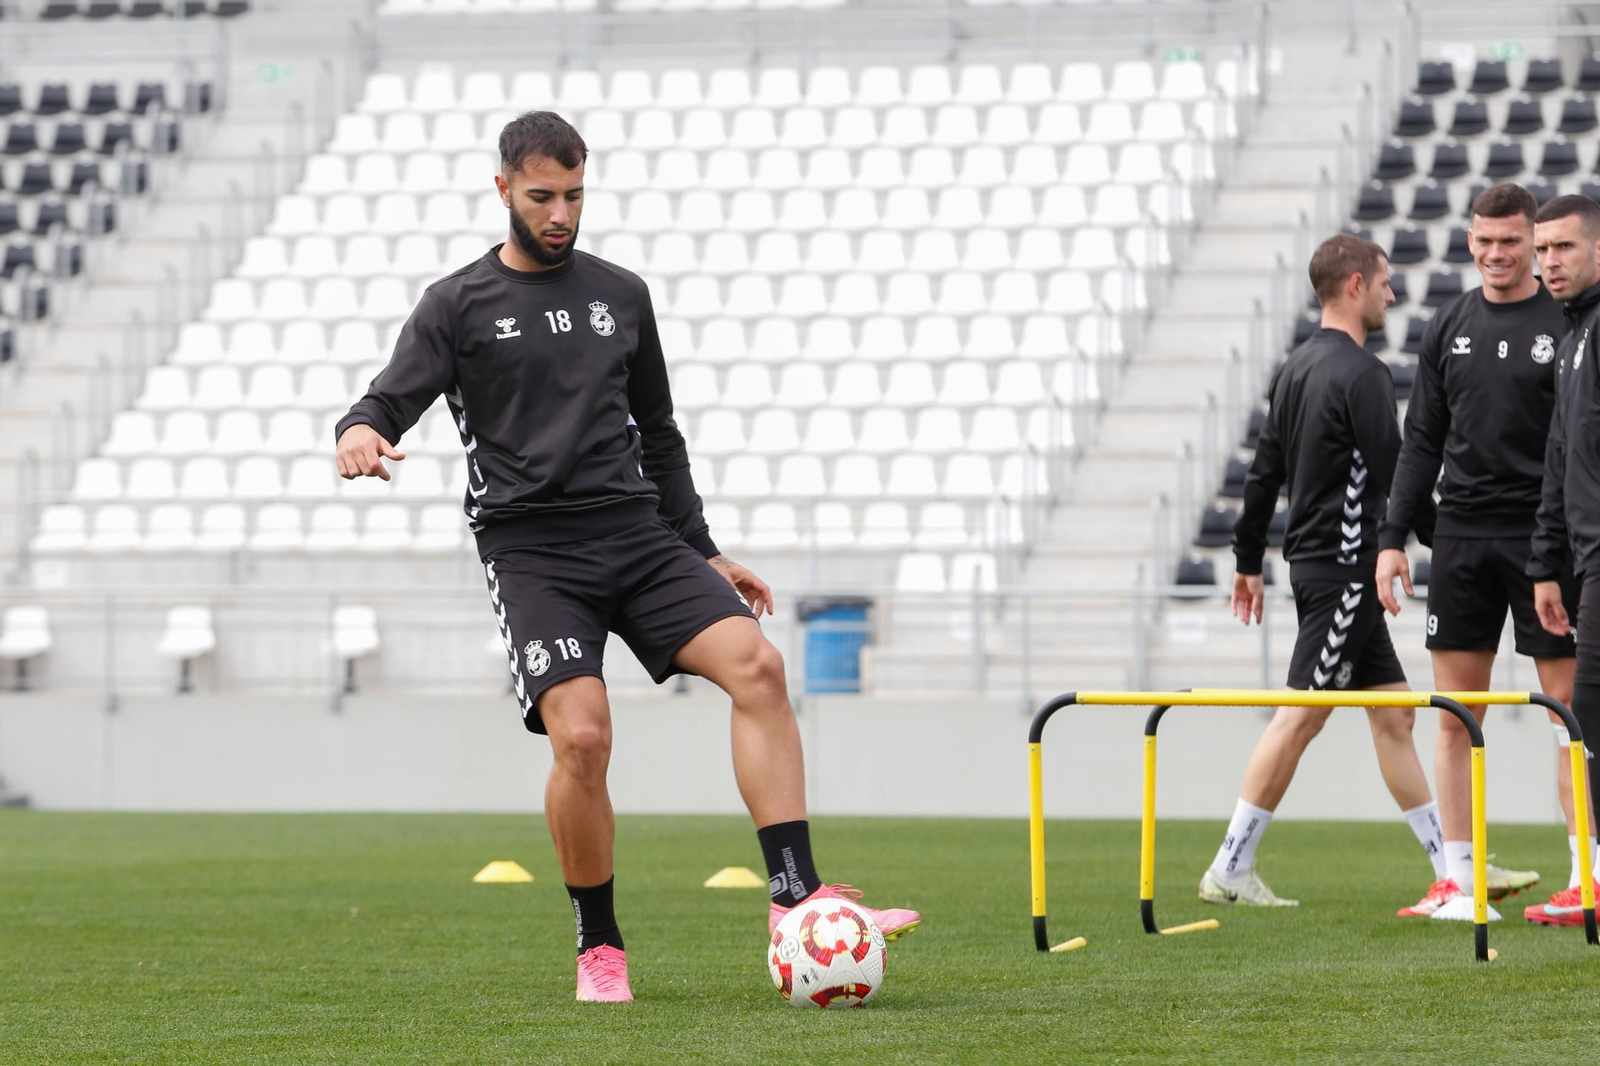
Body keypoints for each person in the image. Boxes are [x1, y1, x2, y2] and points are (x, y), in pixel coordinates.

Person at [332, 111, 919, 1002]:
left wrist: (704, 550)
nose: (561, 212)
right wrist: (359, 436)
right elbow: (384, 399)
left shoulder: (623, 294)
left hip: (636, 535)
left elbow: (660, 433)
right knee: (582, 738)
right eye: (542, 196)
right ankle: (598, 944)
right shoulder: (455, 305)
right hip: (532, 551)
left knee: (757, 666)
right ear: (503, 191)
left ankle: (795, 899)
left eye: (573, 194)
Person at [1200, 233, 1445, 908]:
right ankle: (1229, 866)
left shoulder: (1294, 367)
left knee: (1395, 717)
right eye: (1387, 281)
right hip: (1343, 573)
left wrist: (1247, 558)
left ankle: (1451, 865)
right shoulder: (1362, 374)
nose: (1394, 293)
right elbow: (1402, 479)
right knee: (1299, 717)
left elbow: (1262, 474)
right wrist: (1452, 547)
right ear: (1356, 286)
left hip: (1321, 570)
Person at [1377, 183, 1586, 922]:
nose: (1497, 254)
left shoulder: (1566, 324)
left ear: (1534, 242)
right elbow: (1421, 440)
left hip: (1542, 541)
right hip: (1460, 539)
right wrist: (1392, 539)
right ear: (1469, 240)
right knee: (1456, 716)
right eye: (1484, 240)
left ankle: (1584, 876)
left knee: (1570, 713)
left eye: (1512, 241)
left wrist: (1558, 543)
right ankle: (1459, 882)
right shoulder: (1448, 323)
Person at [1526, 193, 1600, 926]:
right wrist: (1547, 564)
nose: (1549, 261)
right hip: (1583, 561)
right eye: (1542, 250)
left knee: (1592, 718)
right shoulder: (1572, 336)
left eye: (1564, 248)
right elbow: (1559, 460)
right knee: (1589, 719)